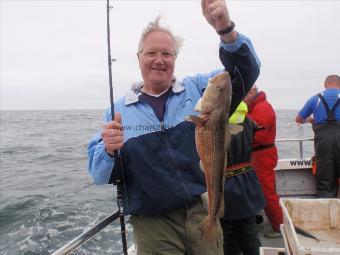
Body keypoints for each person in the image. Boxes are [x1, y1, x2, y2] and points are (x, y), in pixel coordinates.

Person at [88, 0, 260, 253]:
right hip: (153, 223)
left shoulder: (199, 89)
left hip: (201, 208)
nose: (159, 60)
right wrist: (108, 151)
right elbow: (98, 175)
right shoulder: (118, 110)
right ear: (139, 59)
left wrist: (225, 30)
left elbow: (245, 70)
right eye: (151, 53)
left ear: (175, 59)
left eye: (167, 54)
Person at [220, 101, 265, 255]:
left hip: (224, 184)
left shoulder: (217, 122)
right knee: (249, 230)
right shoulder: (248, 119)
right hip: (247, 181)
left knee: (225, 233)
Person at [244, 85, 283, 238]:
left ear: (252, 92)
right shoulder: (255, 107)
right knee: (252, 190)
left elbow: (256, 136)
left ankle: (280, 227)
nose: (241, 98)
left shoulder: (262, 108)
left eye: (243, 94)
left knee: (267, 193)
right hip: (255, 156)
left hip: (263, 156)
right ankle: (253, 221)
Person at [295, 75, 340, 198]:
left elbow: (298, 119)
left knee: (325, 180)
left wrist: (311, 120)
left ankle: (326, 208)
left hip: (324, 144)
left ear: (325, 85)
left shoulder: (316, 99)